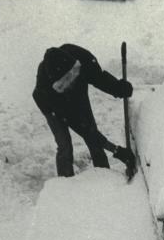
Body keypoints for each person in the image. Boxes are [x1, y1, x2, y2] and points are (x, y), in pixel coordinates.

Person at [33, 44, 134, 177]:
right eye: (65, 84)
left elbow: (99, 77)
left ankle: (104, 177)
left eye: (71, 79)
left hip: (78, 94)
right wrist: (115, 150)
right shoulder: (46, 90)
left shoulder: (83, 59)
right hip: (52, 107)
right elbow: (82, 128)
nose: (70, 85)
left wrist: (118, 88)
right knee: (65, 146)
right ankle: (66, 183)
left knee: (92, 134)